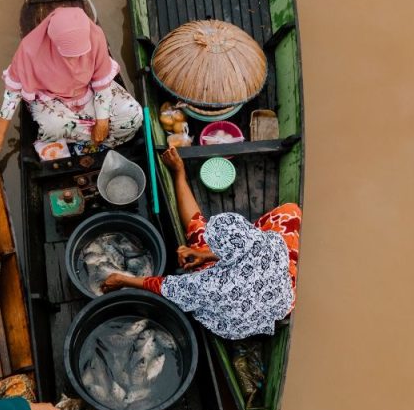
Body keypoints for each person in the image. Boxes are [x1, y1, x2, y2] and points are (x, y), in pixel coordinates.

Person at [101, 146, 302, 340]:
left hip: (235, 325)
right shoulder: (267, 245)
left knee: (198, 236)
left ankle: (179, 176)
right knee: (291, 212)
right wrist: (206, 255)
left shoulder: (209, 285)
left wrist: (122, 280)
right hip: (280, 302)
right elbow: (239, 256)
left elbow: (164, 286)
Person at [0, 6, 143, 161]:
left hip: (87, 91)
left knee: (133, 115)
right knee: (53, 127)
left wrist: (102, 121)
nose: (75, 61)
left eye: (80, 54)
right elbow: (13, 91)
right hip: (51, 98)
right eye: (68, 55)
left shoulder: (96, 35)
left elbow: (101, 83)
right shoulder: (30, 49)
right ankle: (83, 140)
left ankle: (86, 142)